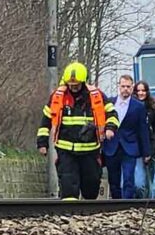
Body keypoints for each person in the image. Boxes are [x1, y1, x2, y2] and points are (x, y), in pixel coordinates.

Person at [38, 61, 117, 200]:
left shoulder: (96, 96)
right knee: (68, 187)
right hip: (66, 151)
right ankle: (70, 216)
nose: (73, 88)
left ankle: (87, 217)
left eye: (76, 85)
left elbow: (111, 114)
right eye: (71, 85)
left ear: (83, 82)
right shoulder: (58, 97)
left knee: (91, 188)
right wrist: (42, 143)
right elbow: (46, 120)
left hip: (90, 151)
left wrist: (110, 128)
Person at [102, 75, 151, 200]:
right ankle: (116, 204)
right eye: (123, 86)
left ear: (132, 87)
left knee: (129, 178)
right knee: (113, 180)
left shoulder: (138, 106)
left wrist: (146, 152)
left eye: (128, 87)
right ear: (119, 86)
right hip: (111, 146)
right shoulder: (109, 103)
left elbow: (143, 130)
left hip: (130, 146)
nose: (125, 89)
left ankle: (127, 204)